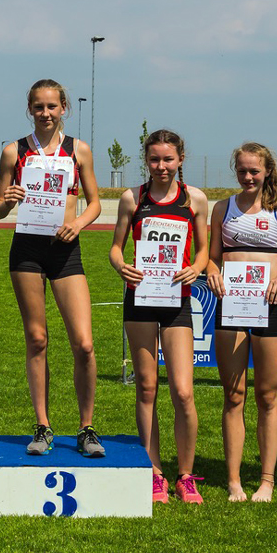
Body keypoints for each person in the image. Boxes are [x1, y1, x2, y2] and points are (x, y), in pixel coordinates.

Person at [0, 79, 104, 458]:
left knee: (84, 344)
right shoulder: (14, 151)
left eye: (52, 106)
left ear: (63, 108)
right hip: (27, 251)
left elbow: (94, 203)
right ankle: (42, 425)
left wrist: (79, 223)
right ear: (30, 109)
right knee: (37, 339)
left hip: (65, 251)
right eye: (38, 107)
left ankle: (86, 428)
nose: (45, 113)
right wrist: (8, 199)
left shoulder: (79, 150)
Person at [110, 129, 209, 503]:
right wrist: (122, 267)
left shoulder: (194, 199)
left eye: (168, 159)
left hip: (176, 300)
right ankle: (155, 473)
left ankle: (186, 475)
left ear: (180, 158)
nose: (161, 166)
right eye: (154, 159)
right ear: (146, 160)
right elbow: (116, 248)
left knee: (183, 391)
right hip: (140, 299)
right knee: (147, 386)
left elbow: (203, 251)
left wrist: (196, 268)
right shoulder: (132, 198)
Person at [206, 143, 277, 502]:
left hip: (268, 306)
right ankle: (233, 480)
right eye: (242, 171)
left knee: (267, 395)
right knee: (234, 395)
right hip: (231, 306)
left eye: (254, 171)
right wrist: (213, 272)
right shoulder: (222, 208)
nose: (248, 177)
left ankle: (266, 480)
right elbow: (212, 257)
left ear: (267, 171)